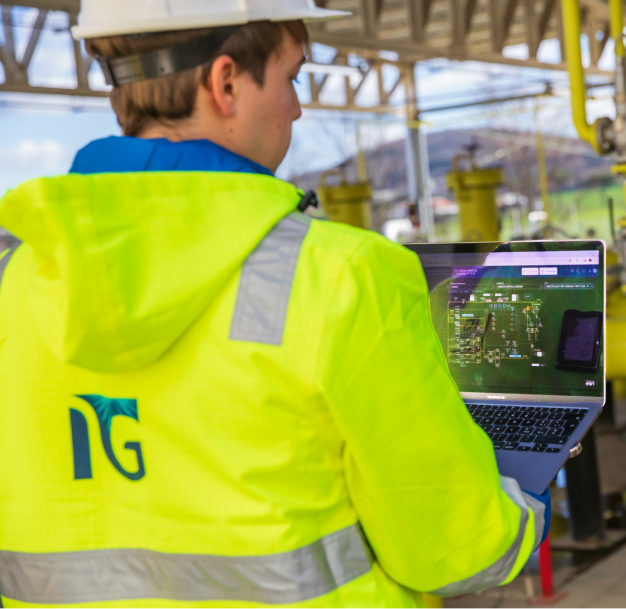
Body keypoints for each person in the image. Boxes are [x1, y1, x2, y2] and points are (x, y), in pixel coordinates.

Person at [0, 1, 549, 606]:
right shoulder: (341, 276)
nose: (297, 106)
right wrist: (523, 498)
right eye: (291, 77)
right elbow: (456, 552)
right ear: (226, 82)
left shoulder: (15, 282)